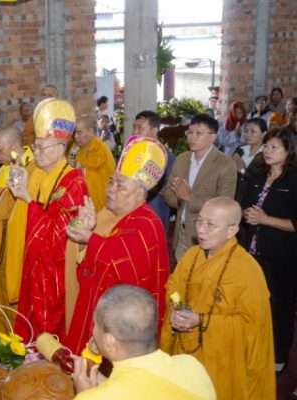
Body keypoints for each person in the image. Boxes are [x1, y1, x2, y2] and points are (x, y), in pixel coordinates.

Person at [160, 197, 275, 399]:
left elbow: (252, 328)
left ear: (232, 231)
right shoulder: (191, 255)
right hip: (185, 350)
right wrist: (177, 309)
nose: (201, 230)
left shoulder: (248, 271)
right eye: (199, 221)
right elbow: (174, 288)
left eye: (211, 225)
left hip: (222, 362)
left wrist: (202, 321)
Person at [64, 136, 170, 355]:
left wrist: (89, 238)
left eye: (121, 186)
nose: (111, 189)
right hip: (97, 309)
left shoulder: (147, 223)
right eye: (112, 182)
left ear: (140, 194)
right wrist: (84, 236)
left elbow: (122, 263)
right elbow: (91, 266)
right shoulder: (109, 214)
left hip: (124, 324)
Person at [9, 98, 88, 342]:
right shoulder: (43, 175)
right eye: (35, 147)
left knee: (51, 335)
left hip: (57, 274)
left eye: (41, 148)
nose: (36, 153)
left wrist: (27, 200)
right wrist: (24, 193)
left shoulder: (74, 182)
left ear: (58, 148)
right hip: (37, 267)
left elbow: (60, 236)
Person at [73, 285, 215, 400]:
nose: (93, 330)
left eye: (96, 325)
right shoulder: (192, 367)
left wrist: (85, 395)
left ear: (109, 341)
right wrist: (101, 383)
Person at [240, 128, 297, 374]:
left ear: (289, 151)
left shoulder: (293, 179)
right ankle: (252, 349)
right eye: (267, 146)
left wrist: (265, 219)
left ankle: (278, 356)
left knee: (279, 307)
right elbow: (242, 205)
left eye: (275, 147)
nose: (268, 151)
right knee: (250, 303)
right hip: (251, 250)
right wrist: (246, 214)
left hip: (282, 254)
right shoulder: (256, 173)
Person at [161, 114, 236, 261]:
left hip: (208, 234)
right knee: (182, 278)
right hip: (182, 231)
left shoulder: (225, 164)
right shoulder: (182, 159)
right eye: (190, 132)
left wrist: (189, 197)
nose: (192, 137)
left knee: (204, 280)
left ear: (213, 137)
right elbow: (168, 191)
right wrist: (179, 199)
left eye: (198, 133)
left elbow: (225, 204)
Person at [0, 126, 35, 311]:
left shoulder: (31, 169)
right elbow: (4, 206)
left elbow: (23, 215)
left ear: (15, 146)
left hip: (16, 248)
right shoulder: (4, 170)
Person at [132, 110, 175, 233]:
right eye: (134, 127)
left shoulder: (164, 155)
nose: (135, 131)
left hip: (154, 212)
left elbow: (167, 189)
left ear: (155, 130)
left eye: (140, 128)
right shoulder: (133, 151)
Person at [71, 115, 115, 212]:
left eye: (79, 133)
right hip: (80, 203)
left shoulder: (99, 148)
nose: (75, 137)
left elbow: (83, 170)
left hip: (99, 204)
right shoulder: (75, 147)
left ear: (90, 131)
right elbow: (70, 163)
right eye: (74, 133)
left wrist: (75, 165)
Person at [233, 118, 266, 203]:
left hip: (250, 200)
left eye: (252, 131)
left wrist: (243, 171)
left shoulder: (266, 155)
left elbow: (261, 181)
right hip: (233, 195)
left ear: (263, 134)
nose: (247, 134)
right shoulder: (240, 149)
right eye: (246, 131)